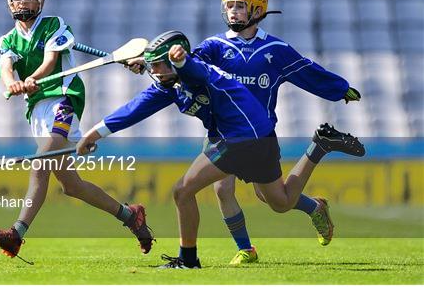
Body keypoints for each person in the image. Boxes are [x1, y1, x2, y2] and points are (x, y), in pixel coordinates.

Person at [77, 30, 364, 269]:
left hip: (239, 138)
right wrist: (94, 133)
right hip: (257, 135)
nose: (154, 72)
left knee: (182, 191)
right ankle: (318, 147)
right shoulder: (168, 85)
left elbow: (192, 68)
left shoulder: (197, 72)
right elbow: (134, 109)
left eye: (159, 66)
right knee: (280, 201)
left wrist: (181, 60)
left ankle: (188, 260)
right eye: (152, 67)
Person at [127, 0, 362, 266]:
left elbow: (308, 71)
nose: (233, 12)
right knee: (222, 189)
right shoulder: (215, 46)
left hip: (259, 135)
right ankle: (246, 249)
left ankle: (316, 181)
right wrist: (148, 63)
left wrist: (340, 88)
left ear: (257, 10)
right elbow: (184, 65)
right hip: (222, 132)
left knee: (275, 201)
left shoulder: (275, 49)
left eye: (239, 6)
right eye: (229, 6)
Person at [0, 0, 153, 263]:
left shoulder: (54, 25)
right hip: (37, 109)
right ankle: (131, 216)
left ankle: (16, 233)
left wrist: (33, 78)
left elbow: (50, 61)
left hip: (63, 99)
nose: (22, 0)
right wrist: (12, 83)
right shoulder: (7, 40)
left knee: (39, 162)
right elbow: (6, 66)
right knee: (71, 186)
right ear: (9, 2)